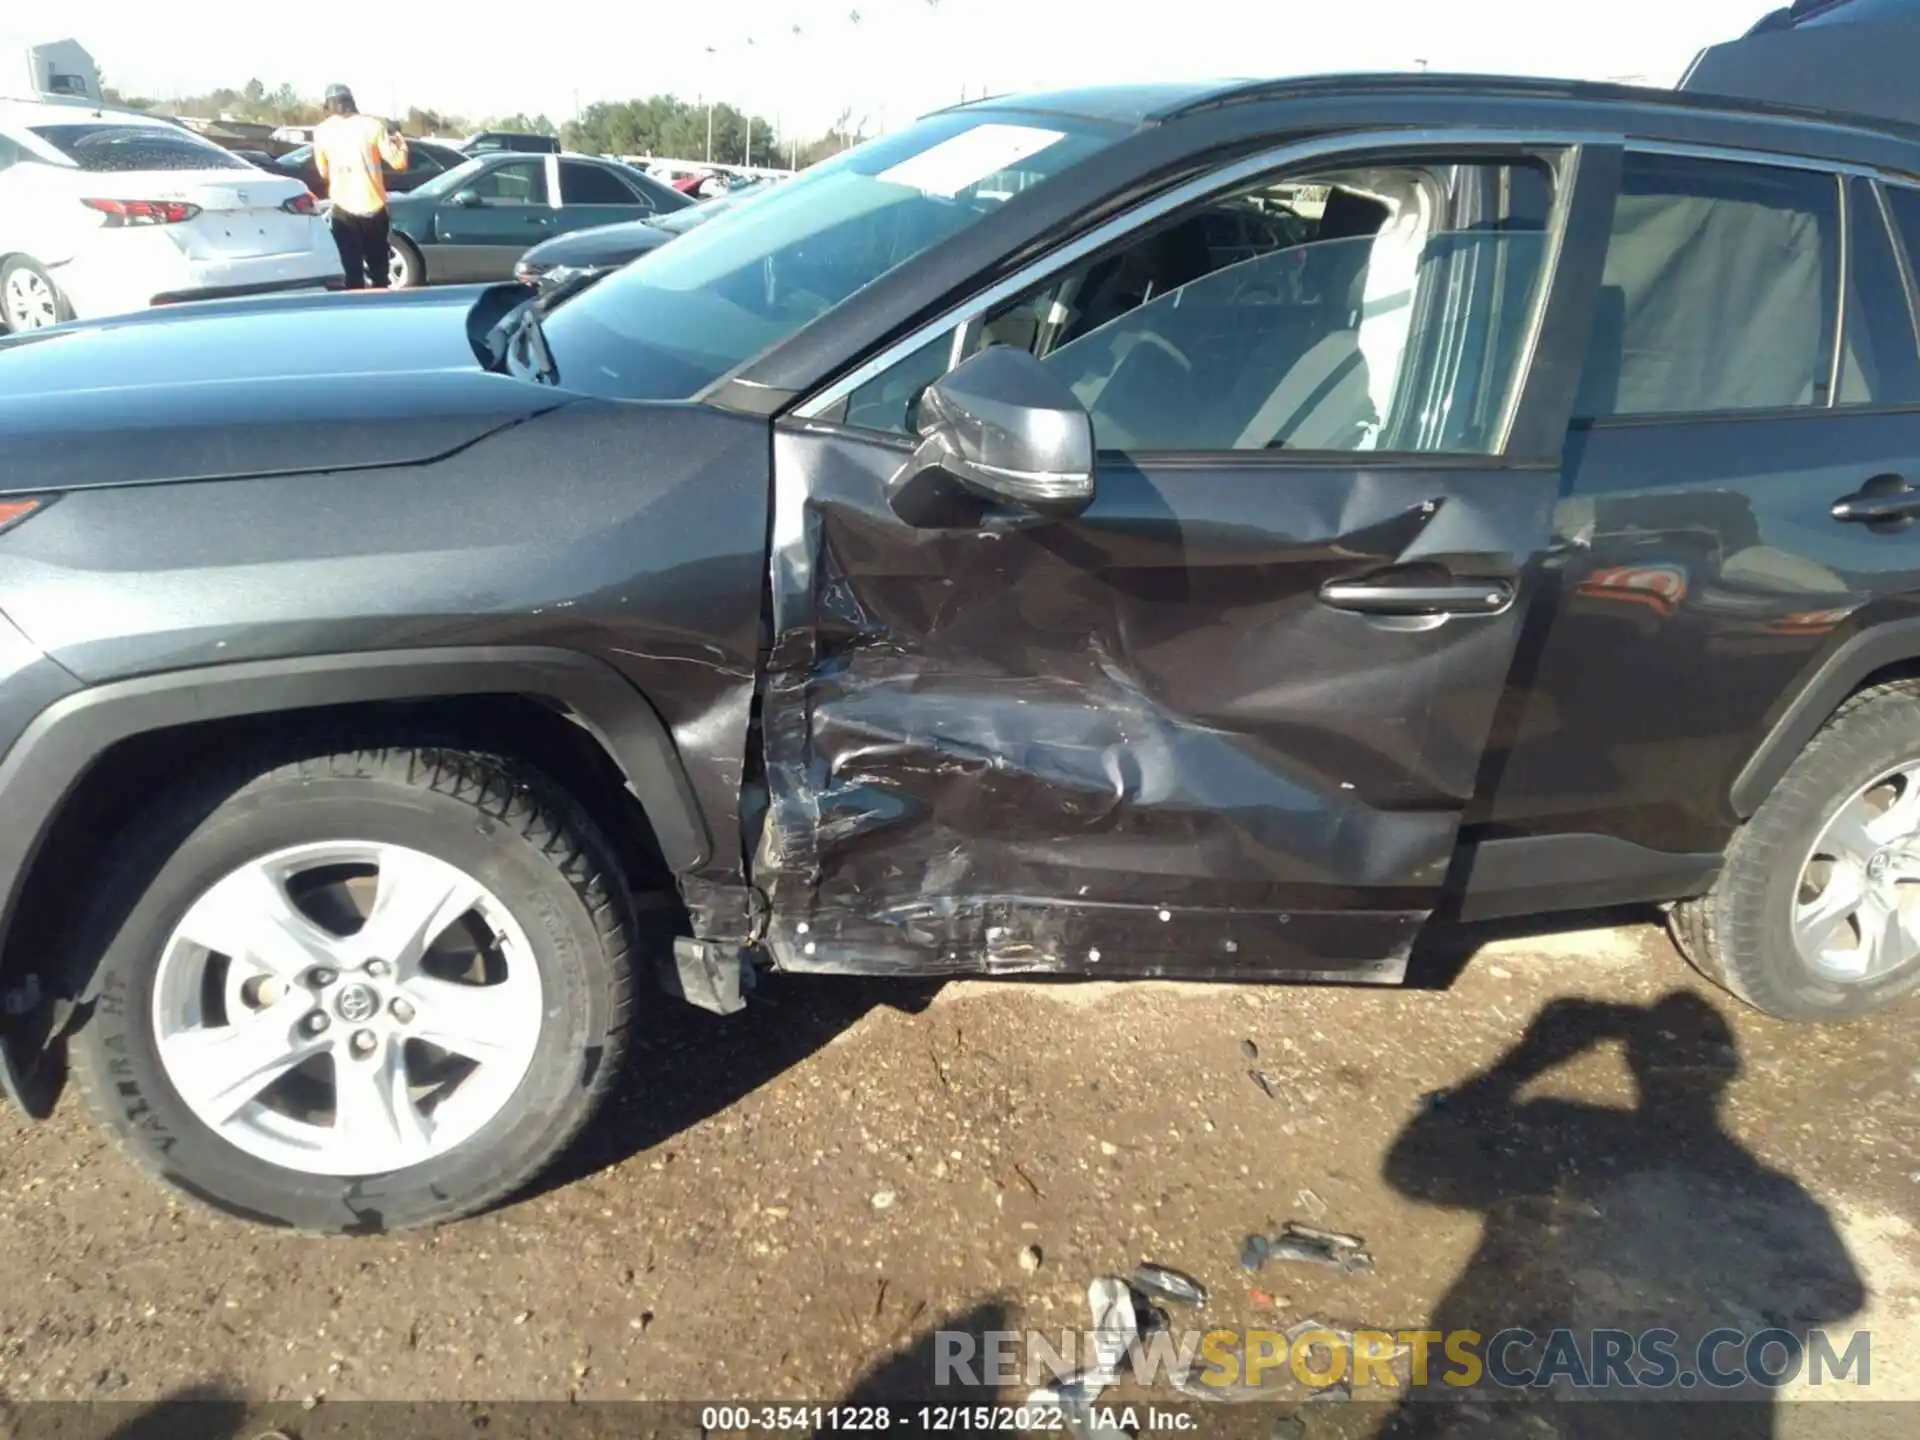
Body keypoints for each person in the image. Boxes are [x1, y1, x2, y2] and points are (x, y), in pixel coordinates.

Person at [311, 84, 408, 290]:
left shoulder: (322, 131)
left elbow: (323, 173)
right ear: (351, 101)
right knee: (379, 271)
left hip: (344, 210)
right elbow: (399, 163)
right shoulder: (372, 126)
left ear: (330, 105)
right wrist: (400, 141)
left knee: (351, 271)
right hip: (374, 207)